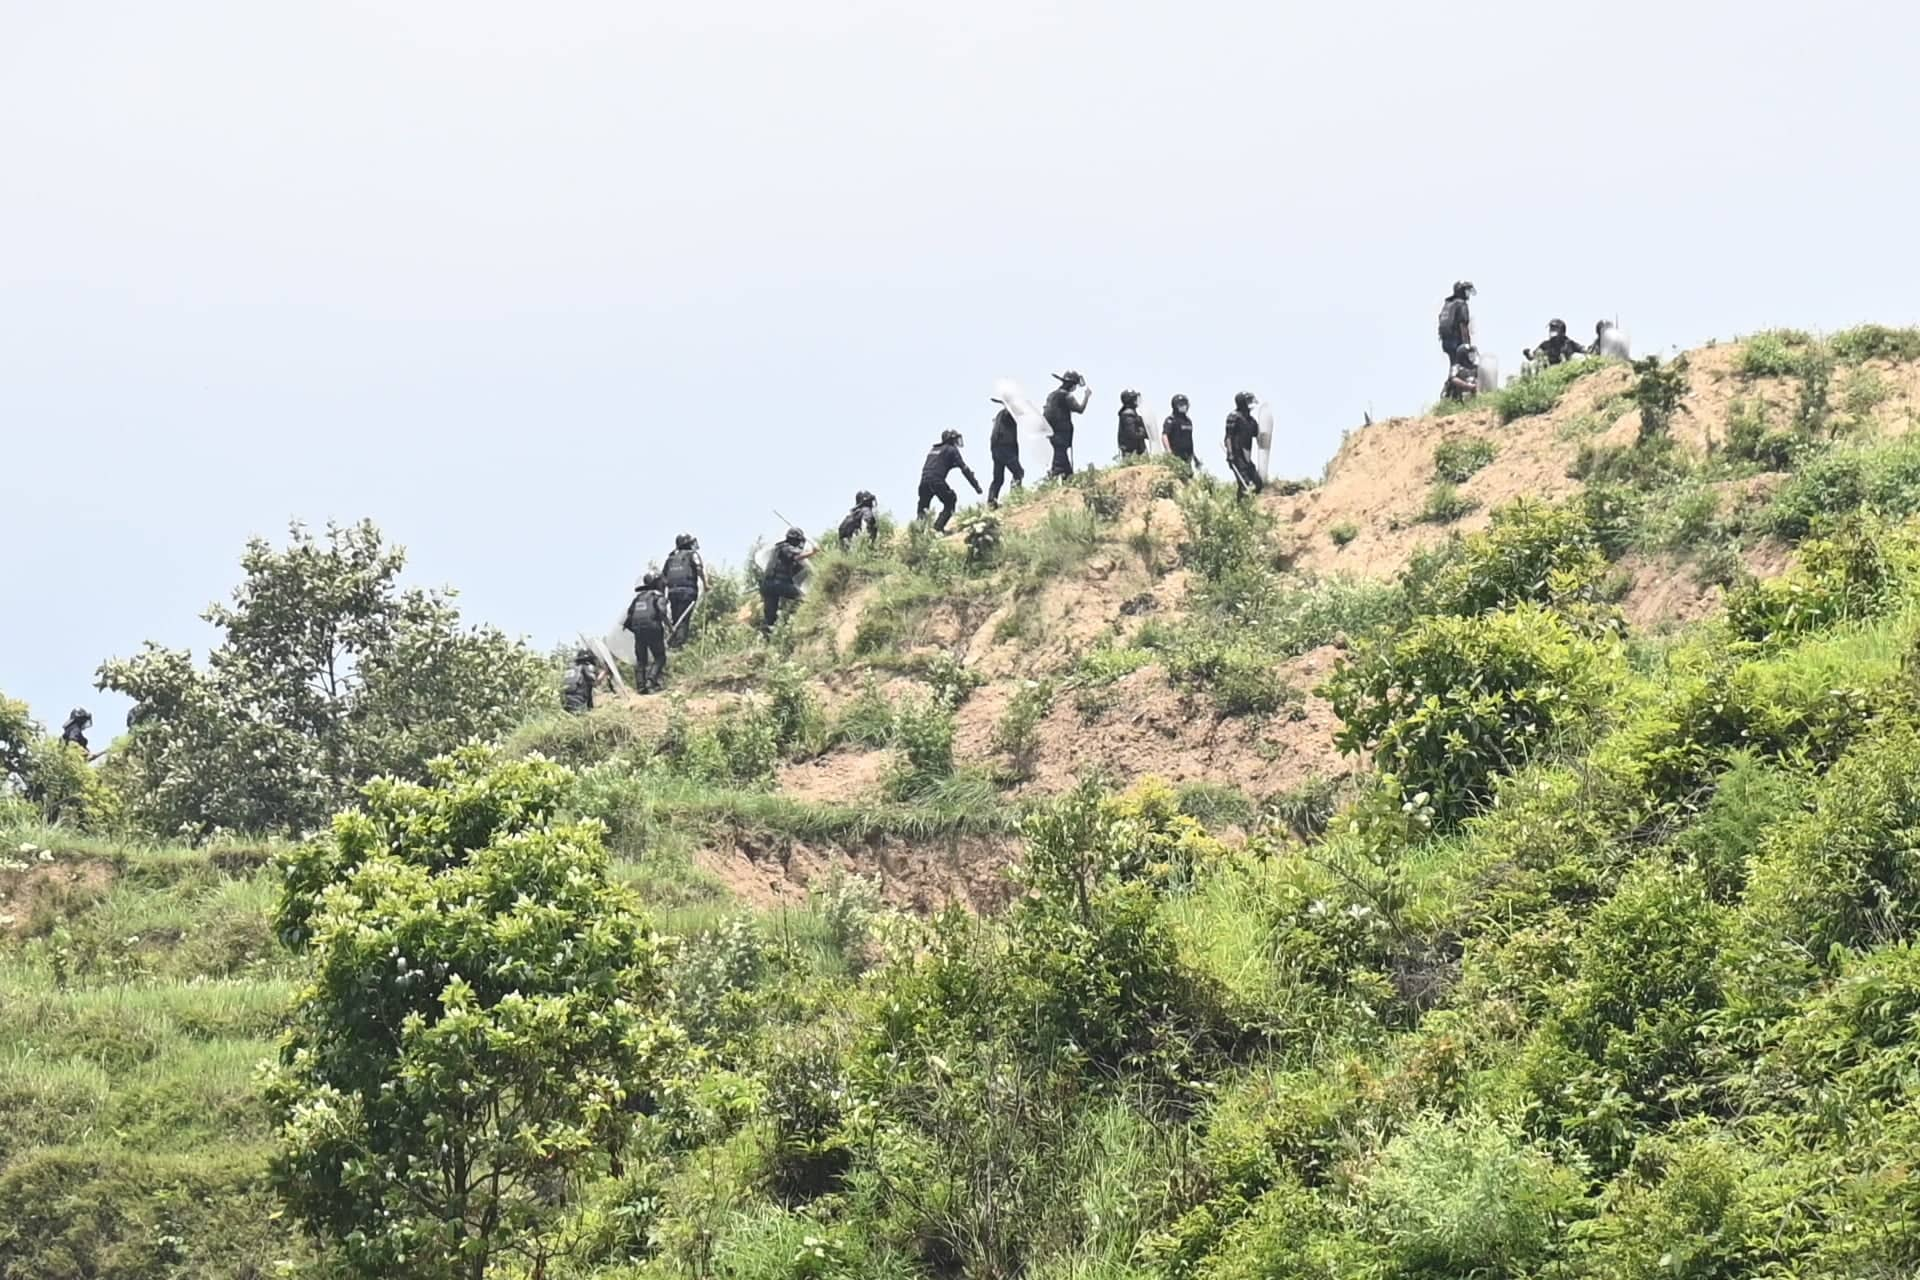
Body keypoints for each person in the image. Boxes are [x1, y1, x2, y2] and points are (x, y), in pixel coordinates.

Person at [917, 429, 983, 533]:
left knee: (923, 508)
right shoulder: (951, 450)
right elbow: (965, 469)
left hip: (923, 481)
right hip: (937, 480)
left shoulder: (933, 449)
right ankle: (938, 529)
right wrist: (976, 486)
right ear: (951, 440)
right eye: (956, 439)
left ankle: (918, 533)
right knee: (950, 501)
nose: (957, 443)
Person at [760, 527, 815, 633]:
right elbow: (796, 556)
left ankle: (768, 637)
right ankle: (811, 622)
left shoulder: (778, 550)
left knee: (770, 618)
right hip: (778, 584)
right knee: (804, 600)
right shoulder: (786, 547)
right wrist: (813, 552)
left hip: (767, 585)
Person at [624, 573, 671, 693]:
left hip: (638, 631)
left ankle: (640, 686)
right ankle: (651, 681)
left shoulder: (637, 599)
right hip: (653, 628)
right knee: (660, 657)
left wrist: (638, 631)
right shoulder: (657, 595)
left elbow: (628, 620)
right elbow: (662, 611)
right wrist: (670, 627)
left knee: (641, 660)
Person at [661, 533, 707, 648]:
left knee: (676, 619)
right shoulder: (692, 555)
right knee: (684, 620)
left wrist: (662, 597)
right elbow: (699, 568)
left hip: (673, 593)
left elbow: (662, 579)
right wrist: (706, 584)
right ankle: (679, 645)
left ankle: (673, 643)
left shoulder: (670, 559)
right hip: (688, 592)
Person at [1043, 370, 1089, 478]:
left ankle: (1068, 480)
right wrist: (1087, 396)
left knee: (1062, 461)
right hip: (1062, 433)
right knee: (1059, 463)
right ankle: (1054, 477)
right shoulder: (1066, 396)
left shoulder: (1052, 395)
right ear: (1072, 384)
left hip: (1052, 432)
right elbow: (1080, 409)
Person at [1224, 392, 1264, 497]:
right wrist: (1230, 454)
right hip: (1236, 456)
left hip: (1247, 457)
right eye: (1248, 401)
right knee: (1245, 483)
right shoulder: (1234, 417)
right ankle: (1241, 507)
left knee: (1257, 483)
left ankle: (1249, 503)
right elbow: (1228, 437)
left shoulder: (1251, 421)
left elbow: (1258, 435)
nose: (1251, 404)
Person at [987, 399, 1023, 507]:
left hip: (996, 450)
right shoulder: (1008, 414)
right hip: (1006, 449)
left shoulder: (999, 415)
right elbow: (1009, 411)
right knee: (1018, 472)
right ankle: (1015, 497)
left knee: (998, 478)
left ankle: (991, 502)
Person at [1438, 281, 1475, 368]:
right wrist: (1467, 345)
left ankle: (1453, 377)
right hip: (1457, 341)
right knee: (1463, 365)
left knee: (1454, 363)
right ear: (1461, 291)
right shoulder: (1461, 304)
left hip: (1446, 342)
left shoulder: (1449, 303)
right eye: (1467, 290)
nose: (1468, 294)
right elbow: (1463, 326)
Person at [1162, 393, 1198, 469]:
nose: (1184, 406)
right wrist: (1168, 451)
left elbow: (1189, 440)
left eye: (1185, 404)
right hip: (1175, 455)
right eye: (1181, 404)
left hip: (1187, 457)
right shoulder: (1171, 420)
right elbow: (1164, 435)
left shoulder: (1188, 421)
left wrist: (1194, 457)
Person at [1116, 389, 1149, 457]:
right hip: (1132, 453)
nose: (1136, 401)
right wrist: (1144, 432)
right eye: (1134, 399)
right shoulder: (1128, 415)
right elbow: (1132, 434)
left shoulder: (1132, 414)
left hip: (1137, 451)